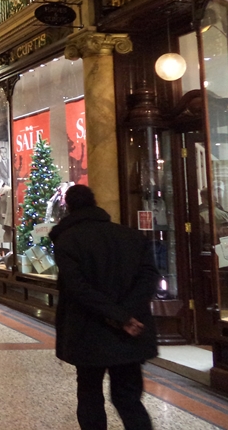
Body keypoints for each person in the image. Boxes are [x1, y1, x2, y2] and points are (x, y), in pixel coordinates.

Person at [50, 184, 158, 430]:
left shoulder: (67, 240)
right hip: (129, 332)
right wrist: (126, 315)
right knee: (128, 398)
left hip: (88, 329)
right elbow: (149, 277)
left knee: (90, 395)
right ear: (95, 202)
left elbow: (78, 289)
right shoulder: (131, 236)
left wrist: (118, 316)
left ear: (68, 207)